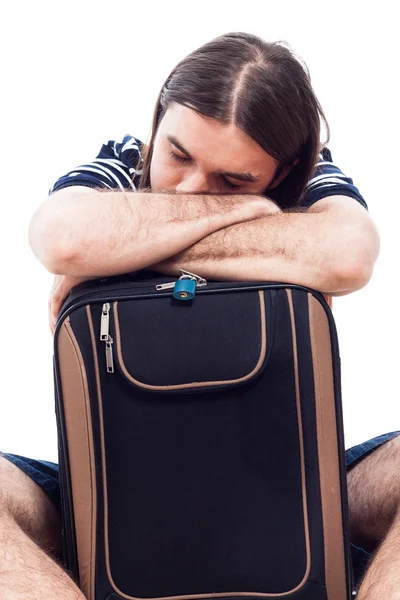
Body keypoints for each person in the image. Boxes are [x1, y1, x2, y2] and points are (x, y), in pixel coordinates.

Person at [0, 31, 398, 599]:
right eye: (178, 155)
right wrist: (257, 222)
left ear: (282, 173)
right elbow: (60, 238)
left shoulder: (313, 179)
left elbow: (350, 255)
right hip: (112, 488)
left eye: (234, 182)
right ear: (160, 120)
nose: (190, 189)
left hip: (290, 483)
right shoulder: (121, 162)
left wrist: (125, 246)